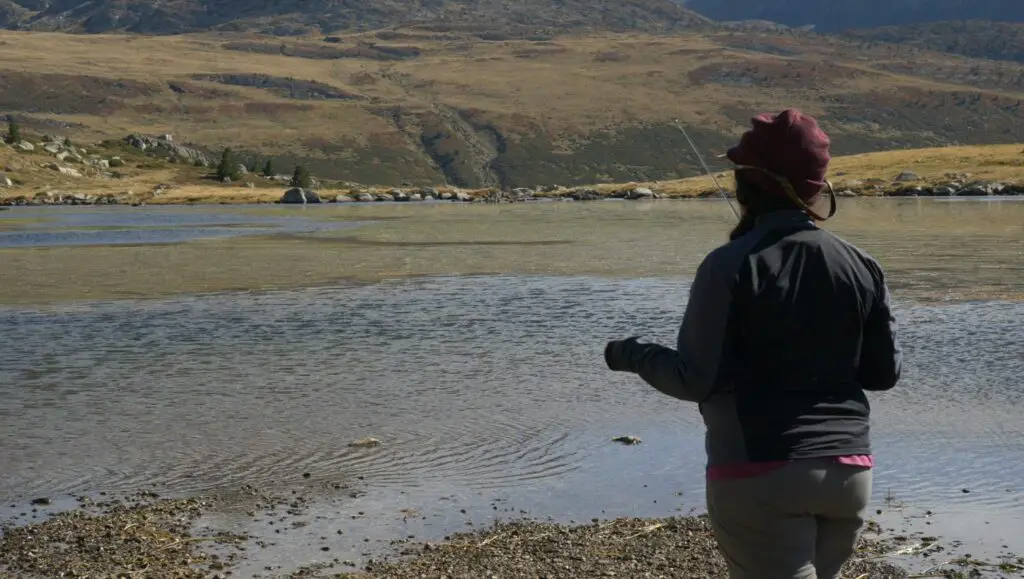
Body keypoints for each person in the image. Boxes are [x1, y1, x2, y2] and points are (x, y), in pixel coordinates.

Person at [603, 108, 902, 579]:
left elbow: (694, 379)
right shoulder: (860, 263)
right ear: (814, 187)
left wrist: (631, 353)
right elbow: (882, 375)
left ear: (749, 183)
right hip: (850, 472)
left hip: (759, 471)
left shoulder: (729, 265)